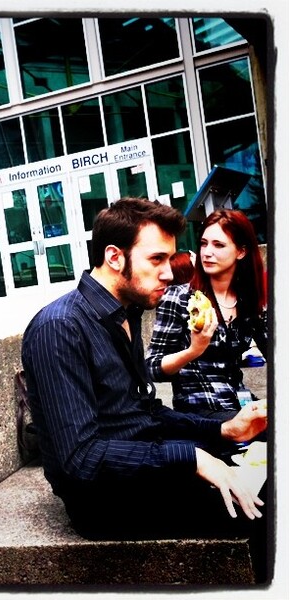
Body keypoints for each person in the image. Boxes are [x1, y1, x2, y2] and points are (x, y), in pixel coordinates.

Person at [21, 198, 269, 582]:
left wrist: (222, 431)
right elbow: (80, 460)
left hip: (144, 463)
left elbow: (147, 411)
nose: (170, 273)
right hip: (105, 500)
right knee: (268, 508)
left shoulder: (127, 313)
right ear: (115, 257)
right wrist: (192, 458)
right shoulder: (60, 327)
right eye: (157, 260)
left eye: (170, 259)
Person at [146, 209, 267, 422]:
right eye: (203, 243)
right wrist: (194, 350)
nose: (207, 252)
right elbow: (152, 368)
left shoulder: (249, 300)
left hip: (240, 403)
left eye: (218, 245)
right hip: (198, 411)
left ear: (241, 251)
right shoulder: (180, 298)